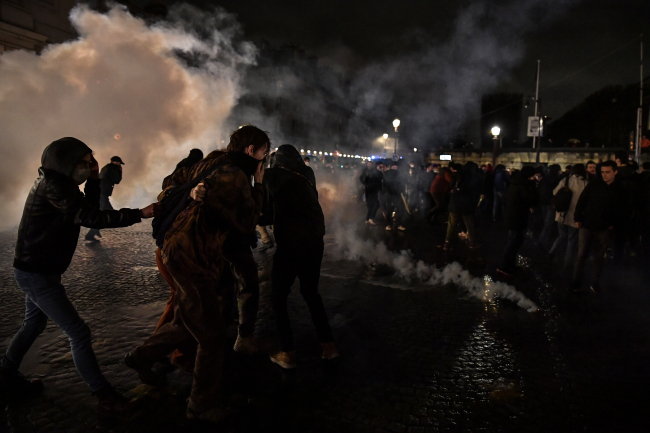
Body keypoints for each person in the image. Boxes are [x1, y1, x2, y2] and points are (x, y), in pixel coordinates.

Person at [0, 138, 158, 416]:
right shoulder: (55, 186)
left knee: (33, 324)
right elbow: (90, 217)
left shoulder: (60, 183)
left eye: (89, 162)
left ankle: (5, 375)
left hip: (39, 269)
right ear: (65, 162)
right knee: (78, 332)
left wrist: (94, 179)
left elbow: (89, 208)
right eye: (83, 163)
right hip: (36, 273)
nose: (87, 167)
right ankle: (104, 396)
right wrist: (140, 213)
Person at [126, 126, 268, 423]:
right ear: (250, 150)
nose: (264, 159)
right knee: (212, 336)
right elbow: (248, 222)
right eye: (263, 153)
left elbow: (169, 181)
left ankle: (140, 357)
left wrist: (191, 191)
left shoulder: (211, 161)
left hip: (175, 247)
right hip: (195, 257)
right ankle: (201, 405)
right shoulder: (235, 176)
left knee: (186, 322)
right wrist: (258, 184)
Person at [259, 145, 338, 369]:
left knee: (278, 297)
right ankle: (329, 347)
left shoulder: (272, 176)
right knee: (311, 293)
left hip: (290, 244)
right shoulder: (307, 173)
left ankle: (288, 353)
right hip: (315, 241)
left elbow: (266, 215)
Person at [572, 161, 626, 292]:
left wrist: (614, 224)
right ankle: (575, 282)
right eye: (602, 172)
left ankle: (595, 283)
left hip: (604, 227)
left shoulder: (620, 187)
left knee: (599, 256)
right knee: (581, 254)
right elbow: (582, 200)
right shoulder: (594, 184)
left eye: (607, 172)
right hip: (588, 224)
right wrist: (577, 217)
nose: (604, 175)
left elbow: (623, 208)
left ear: (615, 172)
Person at [498, 166, 538, 276]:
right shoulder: (523, 186)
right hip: (516, 217)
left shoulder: (516, 183)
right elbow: (531, 199)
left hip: (514, 216)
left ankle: (510, 263)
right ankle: (503, 265)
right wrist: (534, 186)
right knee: (513, 241)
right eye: (532, 176)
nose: (534, 178)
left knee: (517, 240)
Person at [549, 164, 588, 271]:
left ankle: (552, 252)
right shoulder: (585, 183)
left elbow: (554, 192)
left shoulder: (565, 180)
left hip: (562, 214)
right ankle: (567, 263)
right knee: (572, 240)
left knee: (561, 235)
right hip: (575, 217)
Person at [444, 161, 483, 250]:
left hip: (454, 203)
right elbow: (476, 191)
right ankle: (472, 243)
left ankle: (447, 243)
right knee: (470, 225)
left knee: (451, 225)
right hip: (466, 205)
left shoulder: (458, 174)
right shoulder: (474, 177)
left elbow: (451, 186)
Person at [85, 156, 125, 241]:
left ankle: (94, 231)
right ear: (115, 162)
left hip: (101, 193)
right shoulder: (111, 168)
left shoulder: (108, 168)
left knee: (105, 213)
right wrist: (120, 171)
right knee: (107, 212)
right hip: (102, 193)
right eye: (119, 163)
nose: (119, 165)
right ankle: (92, 233)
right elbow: (117, 180)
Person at [537, 164, 562, 250]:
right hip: (550, 203)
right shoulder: (557, 179)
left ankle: (544, 240)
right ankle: (542, 241)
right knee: (549, 223)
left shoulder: (545, 178)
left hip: (542, 202)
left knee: (546, 221)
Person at [383, 162, 406, 231]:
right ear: (391, 167)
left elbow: (403, 183)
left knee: (400, 209)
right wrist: (387, 191)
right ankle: (389, 224)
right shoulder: (387, 174)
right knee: (389, 210)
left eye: (396, 167)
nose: (395, 168)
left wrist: (402, 191)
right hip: (389, 194)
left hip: (397, 194)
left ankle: (399, 224)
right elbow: (384, 184)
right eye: (394, 167)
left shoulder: (400, 174)